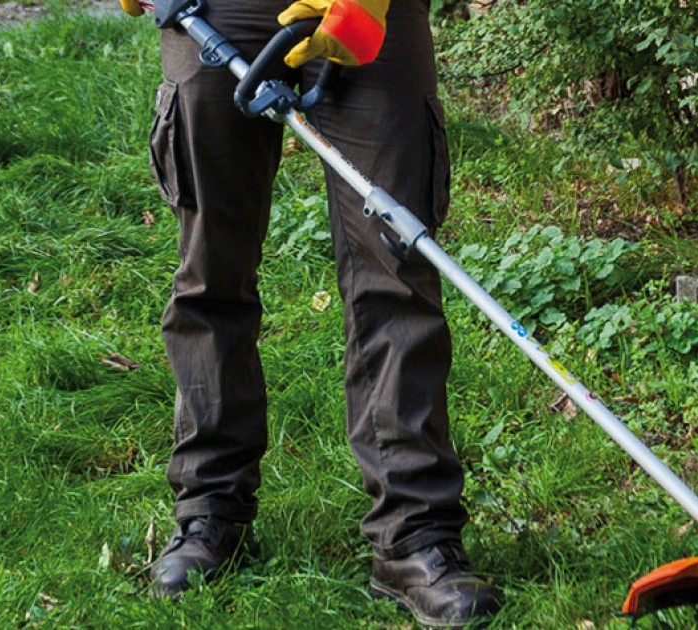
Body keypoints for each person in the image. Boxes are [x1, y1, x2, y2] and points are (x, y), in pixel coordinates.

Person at [134, 0, 502, 625]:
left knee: (395, 271)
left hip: (369, 12)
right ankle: (208, 509)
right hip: (213, 9)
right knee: (209, 269)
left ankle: (414, 535)